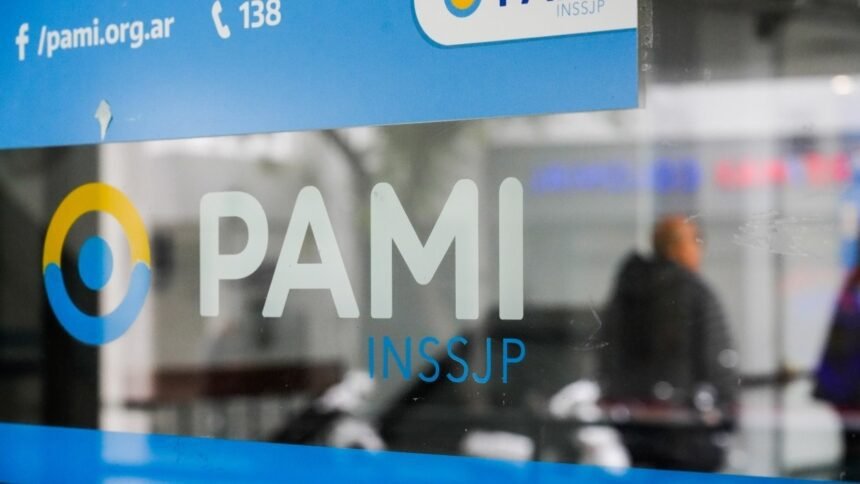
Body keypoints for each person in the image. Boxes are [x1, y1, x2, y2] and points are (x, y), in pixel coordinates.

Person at [599, 215, 738, 472]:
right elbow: (717, 363)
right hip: (685, 433)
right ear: (676, 248)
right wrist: (727, 414)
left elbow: (605, 355)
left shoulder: (626, 293)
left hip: (632, 432)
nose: (700, 251)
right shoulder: (694, 293)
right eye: (696, 242)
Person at [814, 262, 860, 480]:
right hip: (849, 393)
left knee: (851, 450)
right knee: (852, 453)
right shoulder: (851, 296)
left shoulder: (850, 291)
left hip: (845, 393)